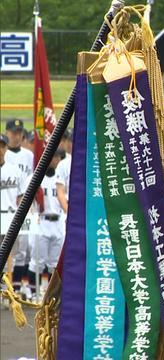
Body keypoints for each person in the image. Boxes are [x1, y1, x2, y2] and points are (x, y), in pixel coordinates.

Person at [27, 149, 67, 299]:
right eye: (52, 156)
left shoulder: (61, 179)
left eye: (57, 156)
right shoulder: (36, 177)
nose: (54, 159)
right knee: (38, 260)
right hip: (41, 221)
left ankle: (51, 296)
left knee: (54, 263)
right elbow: (27, 200)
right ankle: (33, 293)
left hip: (58, 222)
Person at [4, 119, 34, 298]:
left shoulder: (28, 155)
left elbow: (30, 180)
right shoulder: (4, 153)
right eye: (13, 132)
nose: (16, 135)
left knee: (22, 248)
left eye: (19, 132)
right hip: (6, 204)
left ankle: (15, 287)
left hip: (22, 204)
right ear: (7, 133)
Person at [0, 134, 27, 289]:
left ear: (5, 148)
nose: (0, 149)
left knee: (12, 256)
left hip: (10, 217)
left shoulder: (15, 170)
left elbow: (22, 197)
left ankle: (10, 290)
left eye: (2, 146)